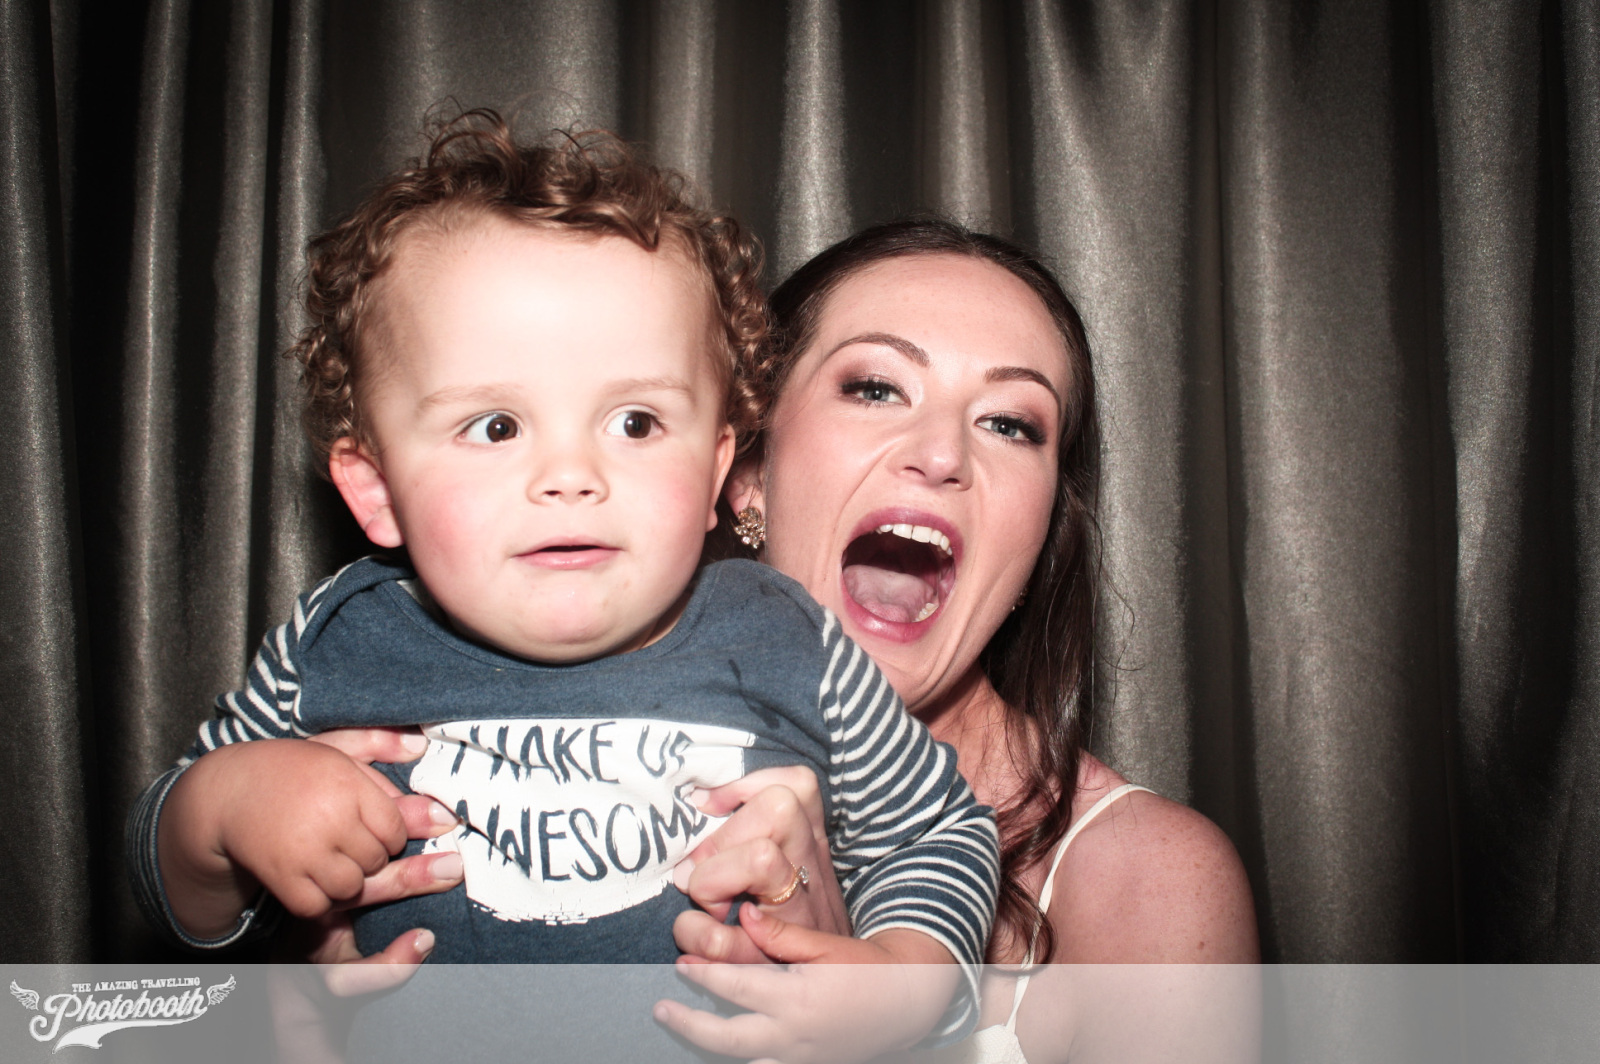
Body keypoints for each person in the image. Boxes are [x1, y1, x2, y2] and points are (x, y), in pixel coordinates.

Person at [125, 113, 998, 1046]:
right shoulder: (337, 637)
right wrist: (223, 809)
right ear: (376, 490)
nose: (572, 475)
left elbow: (940, 835)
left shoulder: (789, 641)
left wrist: (908, 983)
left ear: (715, 470)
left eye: (635, 423)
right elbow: (168, 873)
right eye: (496, 427)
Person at [649, 218, 1260, 1064]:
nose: (942, 454)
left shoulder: (1151, 883)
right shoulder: (555, 774)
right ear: (750, 474)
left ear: (1037, 538)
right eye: (875, 387)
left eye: (1009, 424)